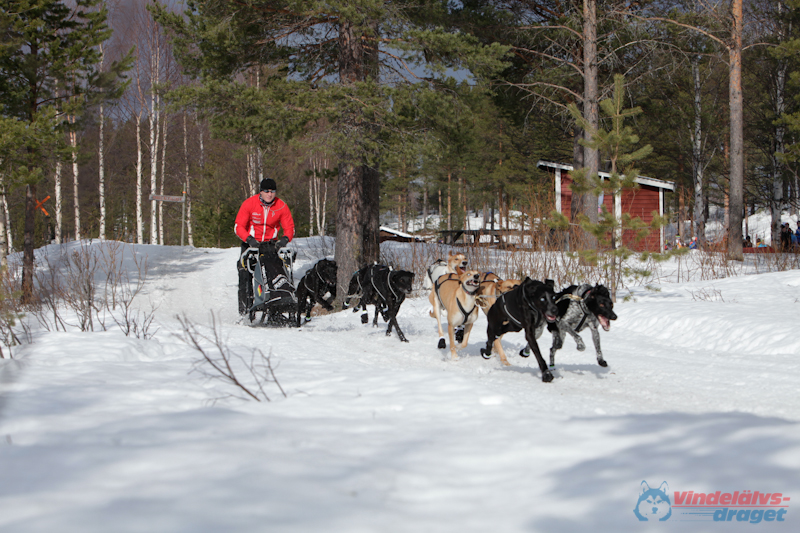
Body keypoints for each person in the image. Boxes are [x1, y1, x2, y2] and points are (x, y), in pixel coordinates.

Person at [234, 178, 295, 315]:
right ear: (261, 192)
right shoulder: (249, 204)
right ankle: (244, 310)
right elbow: (238, 227)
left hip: (271, 245)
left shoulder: (281, 206)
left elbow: (290, 228)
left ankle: (277, 303)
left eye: (272, 191)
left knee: (276, 271)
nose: (270, 194)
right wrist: (249, 239)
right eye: (266, 191)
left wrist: (284, 240)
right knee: (244, 272)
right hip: (251, 244)